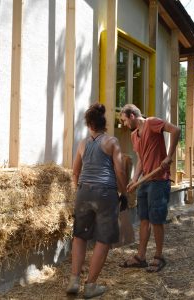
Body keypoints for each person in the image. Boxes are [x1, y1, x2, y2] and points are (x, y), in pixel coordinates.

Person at [66, 103, 128, 298]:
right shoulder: (111, 142)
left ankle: (74, 281)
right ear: (104, 123)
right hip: (105, 193)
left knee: (80, 236)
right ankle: (90, 285)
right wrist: (124, 192)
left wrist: (79, 190)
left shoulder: (83, 144)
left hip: (84, 192)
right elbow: (119, 170)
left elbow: (75, 171)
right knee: (103, 239)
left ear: (89, 124)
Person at [119, 104, 180, 272]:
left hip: (159, 180)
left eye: (124, 120)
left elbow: (176, 130)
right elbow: (140, 159)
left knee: (156, 220)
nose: (124, 124)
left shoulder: (152, 123)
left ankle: (159, 257)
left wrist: (169, 157)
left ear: (132, 116)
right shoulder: (133, 135)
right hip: (145, 182)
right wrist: (134, 179)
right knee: (144, 220)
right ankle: (140, 257)